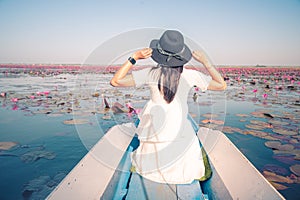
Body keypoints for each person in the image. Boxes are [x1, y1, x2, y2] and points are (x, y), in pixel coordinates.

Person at [110, 30, 226, 184]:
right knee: (185, 131)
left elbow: (115, 81)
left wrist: (134, 58)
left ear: (158, 54)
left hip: (155, 130)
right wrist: (206, 62)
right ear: (182, 55)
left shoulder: (150, 73)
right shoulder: (191, 75)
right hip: (178, 131)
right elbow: (221, 85)